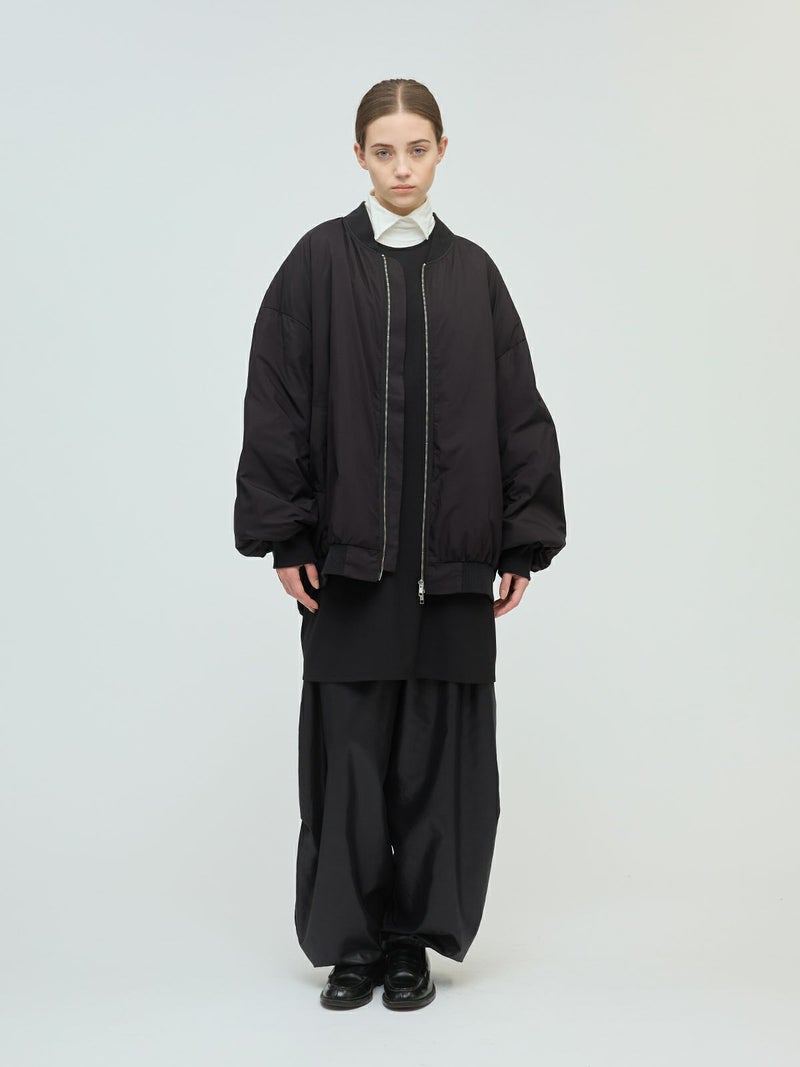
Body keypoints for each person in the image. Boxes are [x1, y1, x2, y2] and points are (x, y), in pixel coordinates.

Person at [233, 78, 567, 1011]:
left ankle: (412, 940)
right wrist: (285, 533)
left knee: (437, 764)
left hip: (452, 569)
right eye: (384, 151)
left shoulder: (474, 274)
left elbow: (518, 412)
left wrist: (523, 537)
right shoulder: (317, 264)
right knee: (348, 761)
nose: (403, 167)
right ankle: (351, 945)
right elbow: (276, 399)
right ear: (359, 157)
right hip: (348, 565)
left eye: (418, 148)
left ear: (442, 151)